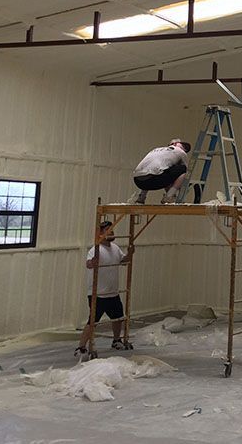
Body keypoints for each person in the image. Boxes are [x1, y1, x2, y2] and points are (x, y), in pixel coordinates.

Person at [76, 220, 133, 358]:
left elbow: (123, 261)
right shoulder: (95, 249)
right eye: (108, 230)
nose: (112, 233)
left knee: (118, 318)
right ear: (100, 233)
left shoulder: (114, 247)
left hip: (112, 292)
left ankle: (116, 340)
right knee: (93, 322)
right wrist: (92, 262)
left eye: (112, 230)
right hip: (99, 294)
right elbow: (89, 264)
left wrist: (130, 254)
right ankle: (81, 347)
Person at [130, 138, 200, 204]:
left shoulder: (157, 150)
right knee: (183, 169)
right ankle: (169, 197)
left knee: (152, 170)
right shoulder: (181, 152)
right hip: (153, 180)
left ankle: (140, 197)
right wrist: (178, 187)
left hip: (138, 182)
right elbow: (187, 174)